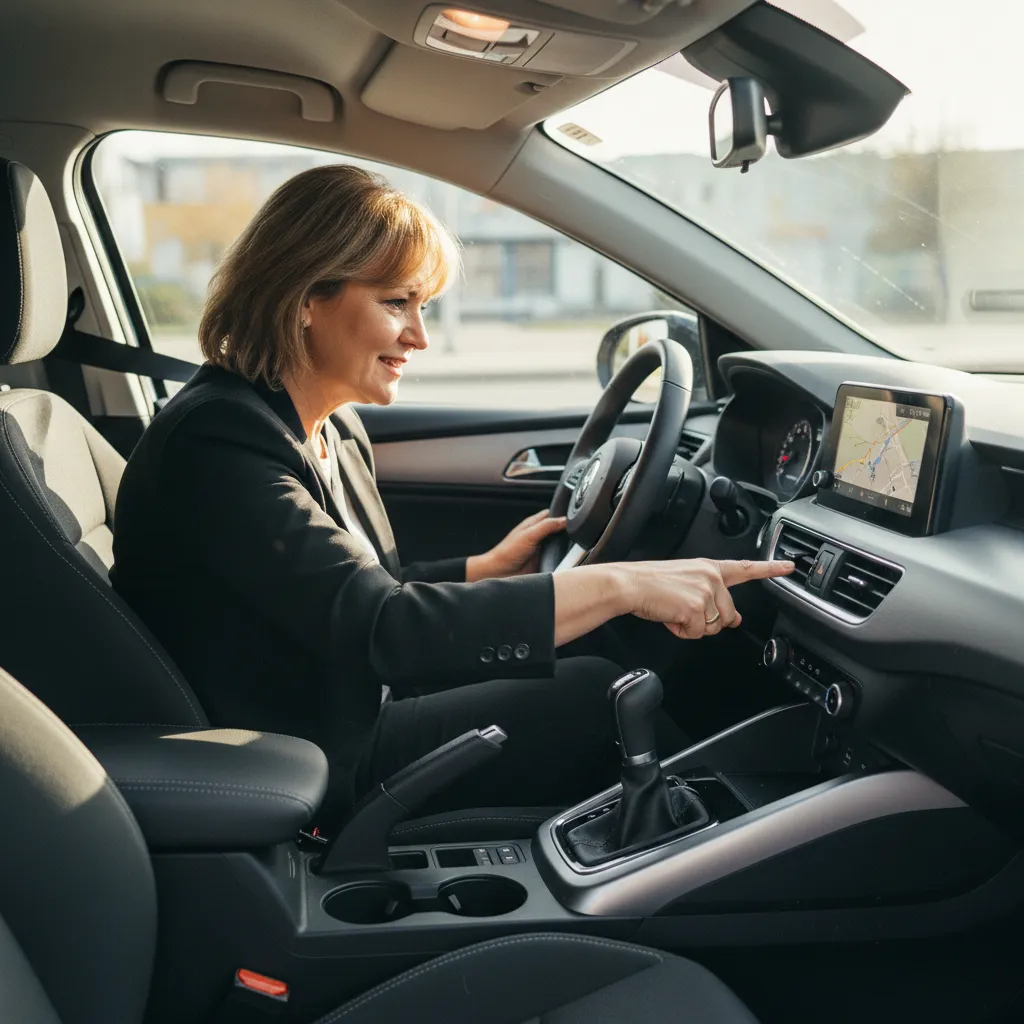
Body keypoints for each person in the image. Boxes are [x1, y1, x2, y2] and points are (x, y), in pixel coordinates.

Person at [111, 165, 794, 826]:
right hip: (305, 751)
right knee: (595, 692)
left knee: (602, 666)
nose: (420, 335)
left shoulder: (330, 425)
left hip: (344, 696)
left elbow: (345, 594)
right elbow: (382, 626)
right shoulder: (219, 440)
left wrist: (482, 569)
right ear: (304, 301)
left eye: (423, 306)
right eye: (395, 302)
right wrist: (622, 586)